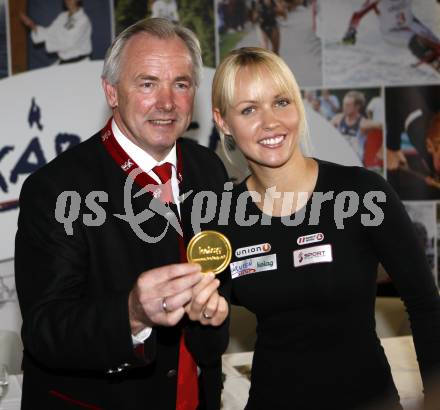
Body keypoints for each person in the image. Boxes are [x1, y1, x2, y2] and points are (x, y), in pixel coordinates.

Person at [15, 17, 229, 410]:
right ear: (112, 92)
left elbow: (219, 286)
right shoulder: (56, 188)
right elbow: (44, 329)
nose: (167, 102)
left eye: (180, 84)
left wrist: (212, 315)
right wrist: (130, 313)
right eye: (147, 83)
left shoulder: (208, 169)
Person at [211, 46, 440, 409]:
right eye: (249, 109)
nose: (270, 122)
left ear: (298, 107)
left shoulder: (362, 192)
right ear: (223, 122)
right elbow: (204, 337)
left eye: (281, 102)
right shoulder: (222, 215)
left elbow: (426, 306)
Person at [342, 0, 440, 71]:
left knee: (434, 42)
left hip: (411, 24)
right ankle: (432, 59)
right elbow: (357, 14)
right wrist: (351, 30)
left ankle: (434, 56)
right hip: (392, 32)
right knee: (416, 39)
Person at [20, 0, 92, 64]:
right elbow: (49, 32)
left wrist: (50, 40)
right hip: (64, 62)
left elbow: (69, 43)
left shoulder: (83, 20)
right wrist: (32, 25)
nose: (68, 1)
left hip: (80, 63)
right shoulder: (62, 16)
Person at [331, 90, 382, 164]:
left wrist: (382, 149)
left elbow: (383, 126)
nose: (344, 107)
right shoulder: (337, 119)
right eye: (344, 104)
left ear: (357, 107)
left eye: (348, 105)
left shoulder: (364, 123)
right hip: (339, 161)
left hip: (355, 164)